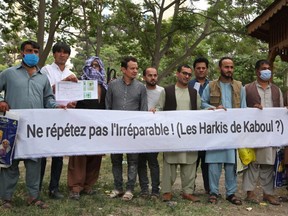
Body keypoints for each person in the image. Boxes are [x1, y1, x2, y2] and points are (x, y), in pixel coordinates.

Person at [0, 40, 64, 209]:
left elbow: (48, 98)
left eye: (36, 51)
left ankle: (33, 197)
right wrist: (1, 101)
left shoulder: (42, 78)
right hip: (12, 125)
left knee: (34, 161)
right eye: (29, 51)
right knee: (10, 161)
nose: (33, 55)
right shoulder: (8, 73)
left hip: (34, 128)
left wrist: (56, 105)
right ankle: (6, 198)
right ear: (22, 53)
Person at [201, 57, 245, 205]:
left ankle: (231, 193)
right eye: (226, 67)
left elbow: (244, 109)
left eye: (231, 67)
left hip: (232, 131)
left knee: (231, 164)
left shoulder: (240, 86)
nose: (229, 70)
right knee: (213, 163)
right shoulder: (211, 85)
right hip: (215, 131)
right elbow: (202, 103)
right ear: (220, 68)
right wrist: (213, 108)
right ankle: (213, 193)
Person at [105, 56, 148, 201]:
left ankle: (130, 189)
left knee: (133, 161)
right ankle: (117, 188)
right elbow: (107, 107)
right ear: (123, 69)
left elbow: (143, 110)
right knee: (116, 160)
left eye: (136, 68)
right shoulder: (112, 85)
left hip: (133, 131)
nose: (135, 71)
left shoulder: (141, 87)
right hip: (115, 130)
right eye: (132, 68)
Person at [157, 64, 201, 202]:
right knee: (169, 162)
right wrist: (154, 112)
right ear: (177, 74)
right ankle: (166, 192)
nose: (186, 76)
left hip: (189, 135)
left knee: (190, 162)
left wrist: (212, 110)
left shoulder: (194, 93)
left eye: (189, 74)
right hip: (172, 134)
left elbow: (200, 112)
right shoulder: (167, 91)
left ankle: (187, 192)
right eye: (184, 73)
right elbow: (159, 108)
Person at [242, 60, 283, 205]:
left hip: (270, 133)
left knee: (268, 163)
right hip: (253, 132)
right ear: (257, 71)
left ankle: (268, 194)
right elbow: (241, 110)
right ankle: (250, 192)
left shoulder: (277, 90)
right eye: (264, 69)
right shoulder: (247, 88)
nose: (267, 71)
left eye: (268, 68)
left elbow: (281, 112)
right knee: (252, 162)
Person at [40, 42, 77, 199]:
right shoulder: (46, 70)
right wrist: (65, 82)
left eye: (65, 52)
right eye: (59, 52)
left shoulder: (71, 72)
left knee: (59, 154)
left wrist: (73, 102)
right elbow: (45, 91)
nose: (62, 55)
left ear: (68, 55)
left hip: (65, 115)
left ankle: (53, 188)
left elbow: (73, 95)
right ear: (54, 54)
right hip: (48, 114)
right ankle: (37, 186)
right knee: (42, 152)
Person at [67, 56, 107, 200]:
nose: (94, 68)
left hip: (98, 127)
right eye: (92, 65)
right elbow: (68, 100)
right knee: (79, 157)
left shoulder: (104, 87)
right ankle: (75, 187)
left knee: (95, 157)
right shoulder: (78, 83)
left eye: (97, 66)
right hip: (80, 126)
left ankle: (88, 185)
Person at [138, 67, 163, 199]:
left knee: (153, 161)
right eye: (149, 75)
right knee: (141, 161)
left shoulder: (162, 91)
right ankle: (144, 189)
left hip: (155, 132)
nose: (152, 78)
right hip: (139, 131)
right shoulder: (139, 89)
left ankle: (155, 189)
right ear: (144, 77)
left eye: (155, 75)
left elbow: (165, 108)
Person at [188, 57, 210, 194]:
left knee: (207, 161)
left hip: (208, 130)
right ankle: (190, 188)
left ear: (207, 69)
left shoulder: (213, 85)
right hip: (192, 129)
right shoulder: (188, 84)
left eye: (203, 68)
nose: (201, 70)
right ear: (194, 70)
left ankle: (209, 189)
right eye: (198, 68)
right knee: (192, 161)